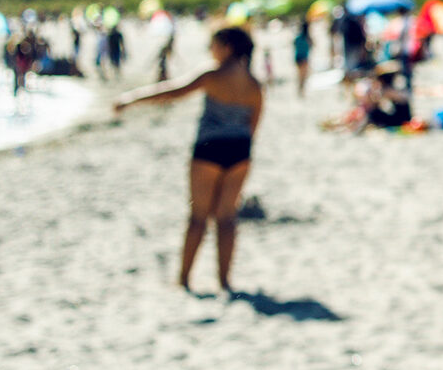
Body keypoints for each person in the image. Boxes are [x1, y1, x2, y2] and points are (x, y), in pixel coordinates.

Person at [113, 26, 265, 293]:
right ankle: (224, 281)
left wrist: (131, 99)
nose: (211, 50)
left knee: (198, 217)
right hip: (240, 151)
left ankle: (183, 279)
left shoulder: (213, 74)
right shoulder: (254, 84)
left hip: (209, 148)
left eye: (214, 44)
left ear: (227, 47)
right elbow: (253, 127)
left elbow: (173, 91)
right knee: (227, 218)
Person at [292, 17, 313, 97]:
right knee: (303, 76)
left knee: (299, 75)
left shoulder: (298, 37)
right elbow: (312, 46)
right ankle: (301, 90)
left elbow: (294, 45)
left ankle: (299, 90)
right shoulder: (308, 38)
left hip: (297, 57)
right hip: (304, 57)